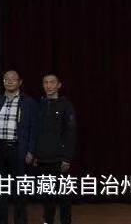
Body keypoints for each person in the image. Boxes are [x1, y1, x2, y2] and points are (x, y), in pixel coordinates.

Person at [0, 70, 38, 224]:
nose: (10, 82)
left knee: (20, 190)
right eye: (7, 79)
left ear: (20, 82)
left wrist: (30, 151)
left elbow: (34, 128)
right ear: (3, 81)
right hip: (0, 149)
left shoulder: (28, 102)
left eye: (13, 79)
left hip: (18, 149)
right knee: (1, 190)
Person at [33, 74, 76, 224]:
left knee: (64, 196)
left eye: (52, 82)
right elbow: (36, 131)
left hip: (60, 159)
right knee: (47, 197)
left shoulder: (66, 106)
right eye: (45, 82)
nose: (49, 85)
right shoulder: (39, 105)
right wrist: (36, 154)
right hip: (43, 159)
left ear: (59, 85)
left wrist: (67, 158)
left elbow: (71, 133)